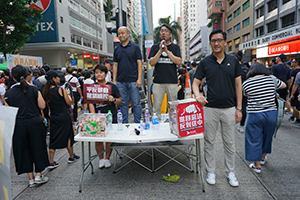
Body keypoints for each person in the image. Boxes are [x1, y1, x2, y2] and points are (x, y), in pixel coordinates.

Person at [192, 29, 243, 187]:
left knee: (229, 143)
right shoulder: (205, 62)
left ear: (225, 42)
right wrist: (197, 95)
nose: (216, 43)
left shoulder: (233, 61)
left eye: (219, 40)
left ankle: (231, 173)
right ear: (210, 43)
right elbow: (195, 82)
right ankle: (211, 171)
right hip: (210, 108)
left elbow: (238, 85)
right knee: (209, 142)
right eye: (213, 40)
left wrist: (239, 108)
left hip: (229, 108)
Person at [5, 65, 49, 187]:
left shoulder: (9, 93)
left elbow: (8, 111)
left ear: (13, 77)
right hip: (35, 123)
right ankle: (39, 175)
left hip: (18, 125)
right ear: (27, 75)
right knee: (38, 148)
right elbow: (42, 106)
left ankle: (30, 179)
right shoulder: (34, 89)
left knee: (23, 151)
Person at [243, 63, 286, 173]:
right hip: (271, 113)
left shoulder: (247, 83)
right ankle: (262, 157)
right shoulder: (272, 79)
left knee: (254, 138)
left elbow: (245, 94)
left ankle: (257, 166)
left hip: (255, 114)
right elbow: (284, 85)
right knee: (268, 136)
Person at [43, 70, 80, 169]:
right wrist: (68, 94)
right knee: (68, 136)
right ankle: (71, 157)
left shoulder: (45, 91)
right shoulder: (61, 89)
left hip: (54, 117)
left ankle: (51, 161)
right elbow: (69, 102)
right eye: (58, 77)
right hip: (64, 116)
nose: (59, 79)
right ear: (54, 78)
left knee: (53, 138)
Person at [89, 65, 121, 168]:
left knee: (108, 139)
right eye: (97, 72)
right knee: (98, 139)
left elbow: (120, 100)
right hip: (97, 116)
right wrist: (94, 116)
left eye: (101, 72)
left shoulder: (112, 87)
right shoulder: (92, 87)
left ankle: (107, 159)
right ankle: (100, 159)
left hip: (110, 116)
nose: (99, 74)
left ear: (106, 74)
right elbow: (90, 103)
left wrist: (113, 100)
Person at [149, 24, 182, 119]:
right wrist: (160, 51)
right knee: (156, 108)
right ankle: (157, 126)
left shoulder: (175, 47)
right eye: (161, 31)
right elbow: (152, 63)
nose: (163, 33)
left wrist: (167, 51)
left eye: (166, 31)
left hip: (172, 81)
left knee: (173, 108)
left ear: (170, 34)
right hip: (158, 82)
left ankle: (173, 126)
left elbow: (178, 61)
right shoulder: (155, 47)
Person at [113, 26, 142, 123]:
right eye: (119, 33)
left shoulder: (135, 47)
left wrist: (139, 79)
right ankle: (124, 124)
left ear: (128, 34)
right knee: (123, 104)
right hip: (120, 81)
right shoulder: (116, 49)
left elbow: (139, 63)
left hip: (133, 80)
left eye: (123, 33)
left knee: (136, 103)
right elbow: (115, 65)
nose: (120, 35)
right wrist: (114, 81)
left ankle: (137, 122)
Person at [235, 51, 250, 133]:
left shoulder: (234, 68)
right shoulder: (247, 69)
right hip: (245, 91)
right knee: (243, 108)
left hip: (234, 90)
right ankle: (241, 125)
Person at [289, 58, 300, 124]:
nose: (291, 63)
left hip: (296, 91)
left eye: (293, 62)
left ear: (296, 63)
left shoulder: (294, 72)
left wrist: (291, 93)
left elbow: (293, 82)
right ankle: (293, 116)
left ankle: (298, 119)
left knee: (295, 105)